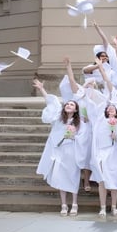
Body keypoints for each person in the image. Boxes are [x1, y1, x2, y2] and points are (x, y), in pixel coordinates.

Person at [34, 79, 87, 216]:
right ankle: (63, 204)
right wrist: (41, 89)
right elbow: (51, 102)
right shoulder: (58, 118)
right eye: (67, 104)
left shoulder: (79, 122)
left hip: (72, 150)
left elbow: (84, 137)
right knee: (60, 176)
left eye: (72, 104)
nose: (69, 105)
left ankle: (74, 203)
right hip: (59, 150)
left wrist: (74, 136)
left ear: (76, 109)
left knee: (73, 176)